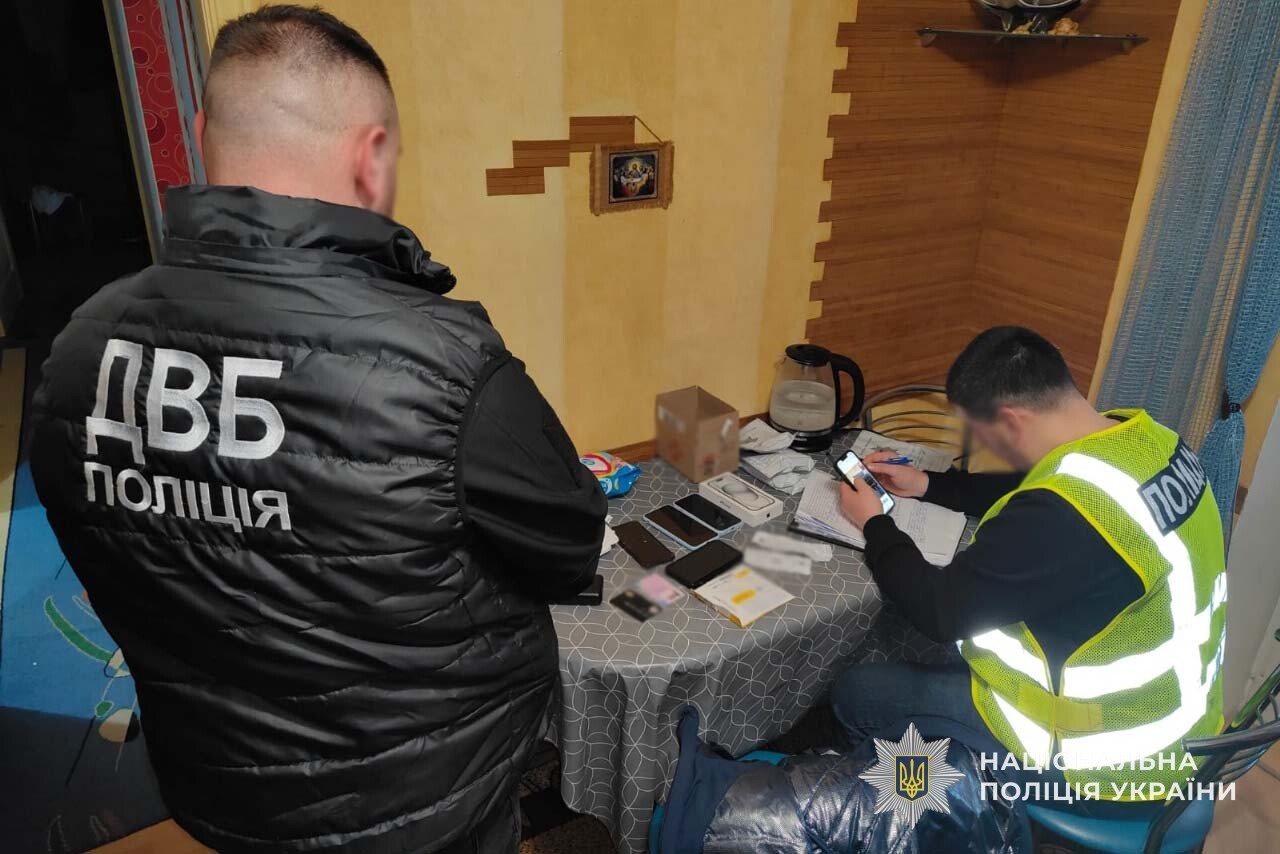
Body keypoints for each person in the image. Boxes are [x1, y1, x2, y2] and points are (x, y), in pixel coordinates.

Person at [28, 6, 606, 853]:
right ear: (371, 157)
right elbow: (569, 546)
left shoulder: (81, 347)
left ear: (201, 133)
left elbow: (111, 547)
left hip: (216, 788)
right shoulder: (442, 365)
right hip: (421, 810)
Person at [832, 326, 1227, 811]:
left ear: (1011, 421)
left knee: (858, 692)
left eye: (983, 436)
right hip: (1184, 727)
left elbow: (940, 610)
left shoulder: (1068, 514)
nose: (987, 450)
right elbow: (1037, 483)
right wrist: (930, 485)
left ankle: (906, 818)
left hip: (1106, 766)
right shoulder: (1149, 442)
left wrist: (874, 523)